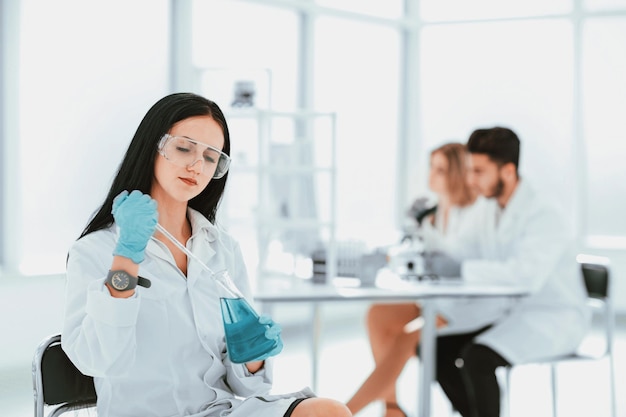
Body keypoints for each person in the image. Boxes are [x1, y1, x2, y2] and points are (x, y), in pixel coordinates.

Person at [61, 92, 352, 417]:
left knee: (329, 411)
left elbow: (250, 389)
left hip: (220, 412)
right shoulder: (95, 251)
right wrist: (127, 254)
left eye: (212, 157)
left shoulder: (223, 249)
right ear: (151, 147)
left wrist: (253, 354)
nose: (197, 165)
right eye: (184, 148)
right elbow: (98, 360)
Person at [431, 126, 591, 417]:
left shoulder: (544, 212)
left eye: (478, 171)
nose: (471, 180)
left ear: (507, 171)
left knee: (477, 358)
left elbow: (525, 275)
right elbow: (464, 249)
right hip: (511, 312)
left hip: (552, 317)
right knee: (434, 349)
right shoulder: (488, 208)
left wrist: (464, 269)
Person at [346, 142, 485, 417]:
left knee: (405, 338)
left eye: (441, 169)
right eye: (432, 167)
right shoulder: (437, 211)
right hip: (436, 298)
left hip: (464, 304)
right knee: (378, 316)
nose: (432, 175)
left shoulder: (476, 213)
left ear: (457, 174)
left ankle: (345, 411)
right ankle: (392, 407)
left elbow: (458, 261)